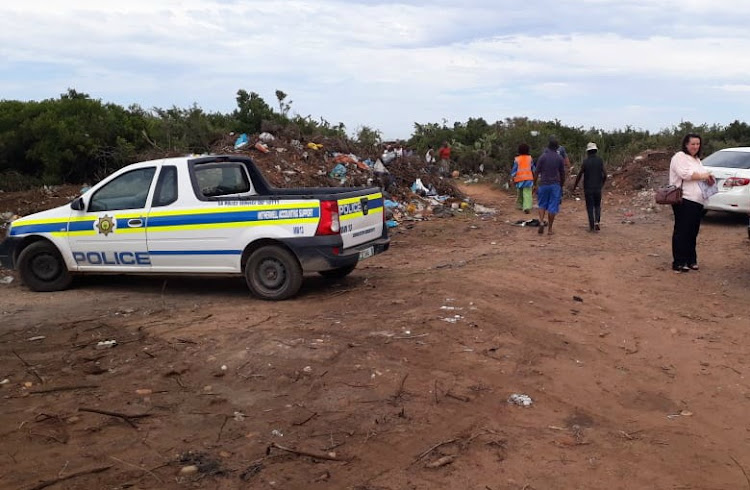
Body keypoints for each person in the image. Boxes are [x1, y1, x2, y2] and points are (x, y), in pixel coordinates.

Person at [669, 133, 714, 273]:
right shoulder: (679, 157)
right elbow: (685, 174)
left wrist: (708, 178)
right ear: (686, 144)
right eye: (693, 144)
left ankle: (690, 259)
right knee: (682, 231)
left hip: (697, 200)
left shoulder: (696, 160)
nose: (695, 146)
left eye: (698, 144)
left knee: (692, 231)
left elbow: (700, 175)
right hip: (684, 199)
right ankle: (679, 261)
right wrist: (703, 175)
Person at [534, 138, 566, 235]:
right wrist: (561, 185)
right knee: (552, 207)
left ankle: (541, 222)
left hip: (543, 184)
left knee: (542, 204)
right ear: (557, 147)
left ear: (548, 146)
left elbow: (536, 172)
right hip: (555, 185)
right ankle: (550, 229)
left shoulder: (542, 157)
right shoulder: (559, 158)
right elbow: (562, 174)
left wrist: (534, 184)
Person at [573, 142, 607, 232]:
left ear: (588, 152)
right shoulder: (600, 160)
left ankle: (592, 227)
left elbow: (580, 174)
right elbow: (605, 174)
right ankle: (597, 222)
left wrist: (575, 186)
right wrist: (602, 184)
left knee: (590, 207)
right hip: (597, 187)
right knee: (597, 205)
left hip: (588, 188)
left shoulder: (585, 162)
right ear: (595, 151)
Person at [510, 143, 535, 213]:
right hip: (528, 179)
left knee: (520, 193)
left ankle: (520, 205)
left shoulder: (517, 159)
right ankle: (527, 207)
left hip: (519, 179)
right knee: (527, 193)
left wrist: (512, 178)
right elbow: (533, 169)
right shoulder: (530, 159)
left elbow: (514, 170)